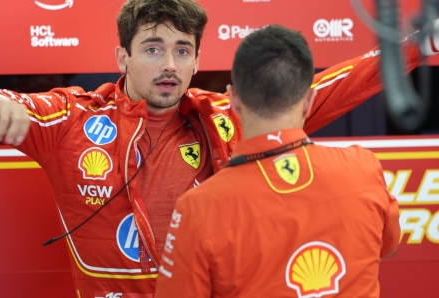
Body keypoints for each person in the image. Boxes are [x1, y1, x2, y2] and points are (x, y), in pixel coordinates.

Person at [0, 0, 428, 296]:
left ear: (197, 60)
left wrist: (414, 46)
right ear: (122, 57)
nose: (169, 64)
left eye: (182, 50)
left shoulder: (224, 115)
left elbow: (326, 89)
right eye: (153, 48)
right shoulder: (71, 118)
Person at [154, 25, 401, 298]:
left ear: (233, 100)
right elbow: (388, 245)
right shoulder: (363, 167)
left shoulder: (197, 208)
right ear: (309, 101)